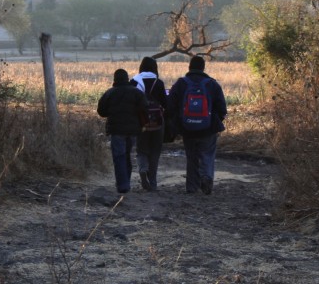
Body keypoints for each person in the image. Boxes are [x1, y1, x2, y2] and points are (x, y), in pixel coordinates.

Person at [167, 56, 227, 195]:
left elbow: (170, 106)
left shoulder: (181, 84)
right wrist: (215, 121)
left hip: (188, 129)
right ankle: (206, 179)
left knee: (191, 156)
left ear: (189, 67)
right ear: (203, 67)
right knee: (207, 155)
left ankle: (191, 187)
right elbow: (222, 108)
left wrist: (179, 123)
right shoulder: (212, 84)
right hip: (208, 129)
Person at [97, 68, 148, 193]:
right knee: (126, 156)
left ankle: (123, 185)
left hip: (116, 130)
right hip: (132, 131)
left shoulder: (109, 93)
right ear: (127, 78)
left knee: (119, 157)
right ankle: (126, 182)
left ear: (115, 79)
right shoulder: (136, 93)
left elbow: (101, 111)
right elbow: (145, 109)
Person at [130, 57, 167, 191]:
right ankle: (152, 182)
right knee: (155, 151)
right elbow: (165, 103)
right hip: (157, 122)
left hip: (141, 122)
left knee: (141, 150)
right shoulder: (159, 82)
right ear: (154, 68)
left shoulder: (134, 81)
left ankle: (143, 169)